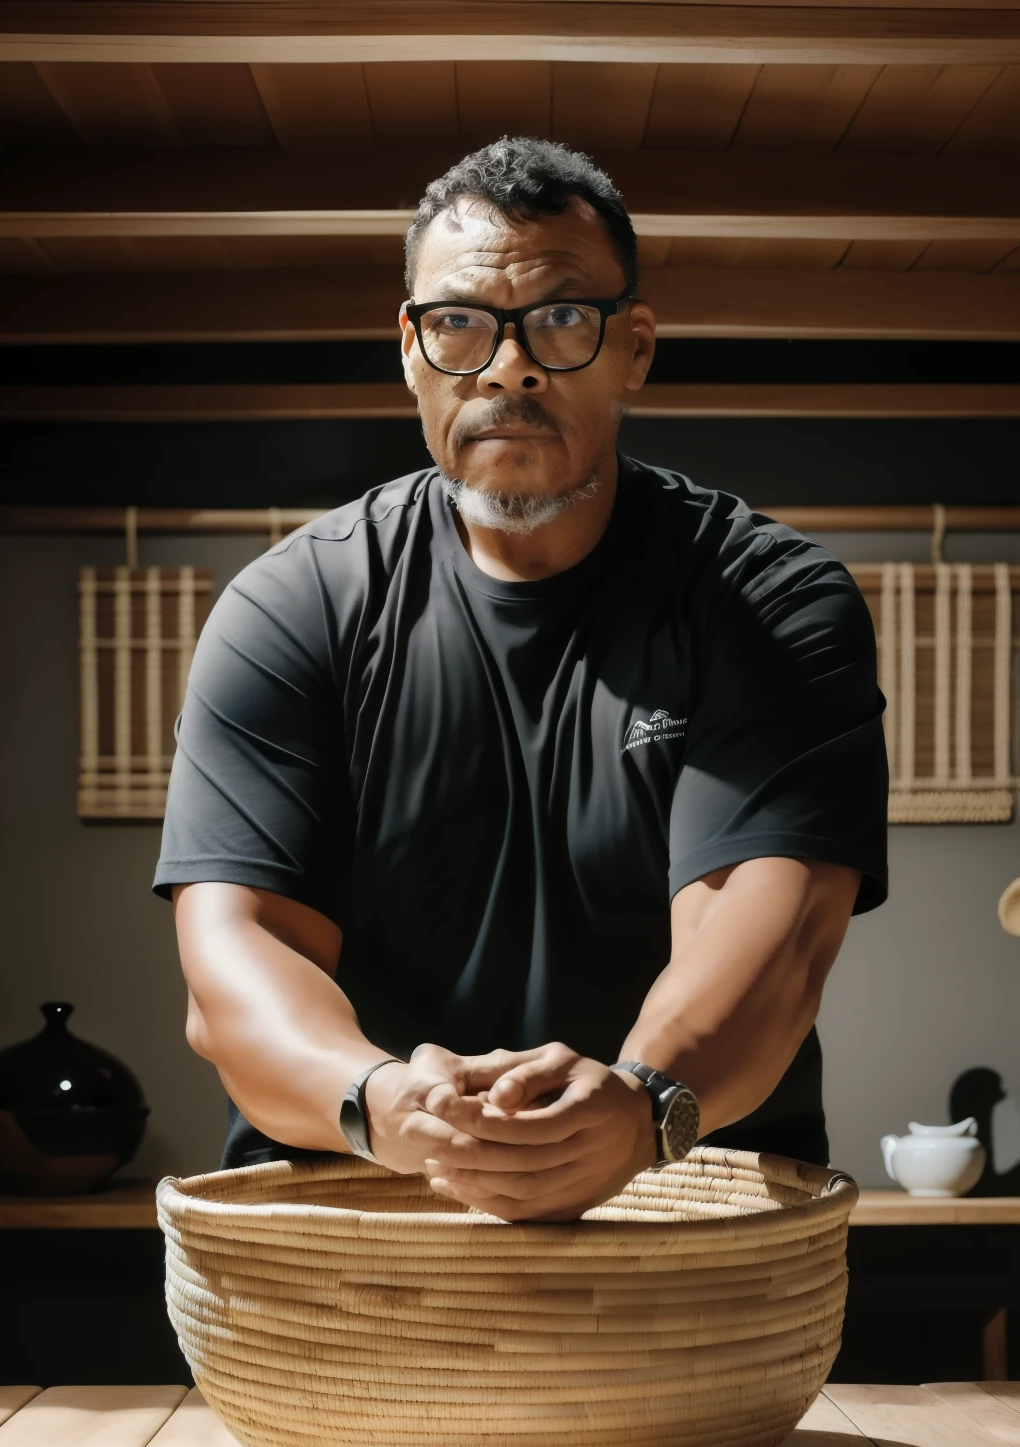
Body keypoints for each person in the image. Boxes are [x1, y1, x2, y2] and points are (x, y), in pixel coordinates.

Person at [154, 137, 888, 1222]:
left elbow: (771, 937)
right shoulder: (293, 607)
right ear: (410, 349)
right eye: (459, 323)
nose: (508, 366)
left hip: (688, 1211)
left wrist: (641, 1107)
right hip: (360, 1229)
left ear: (634, 348)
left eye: (560, 317)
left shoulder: (766, 600)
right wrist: (378, 1098)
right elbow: (236, 953)